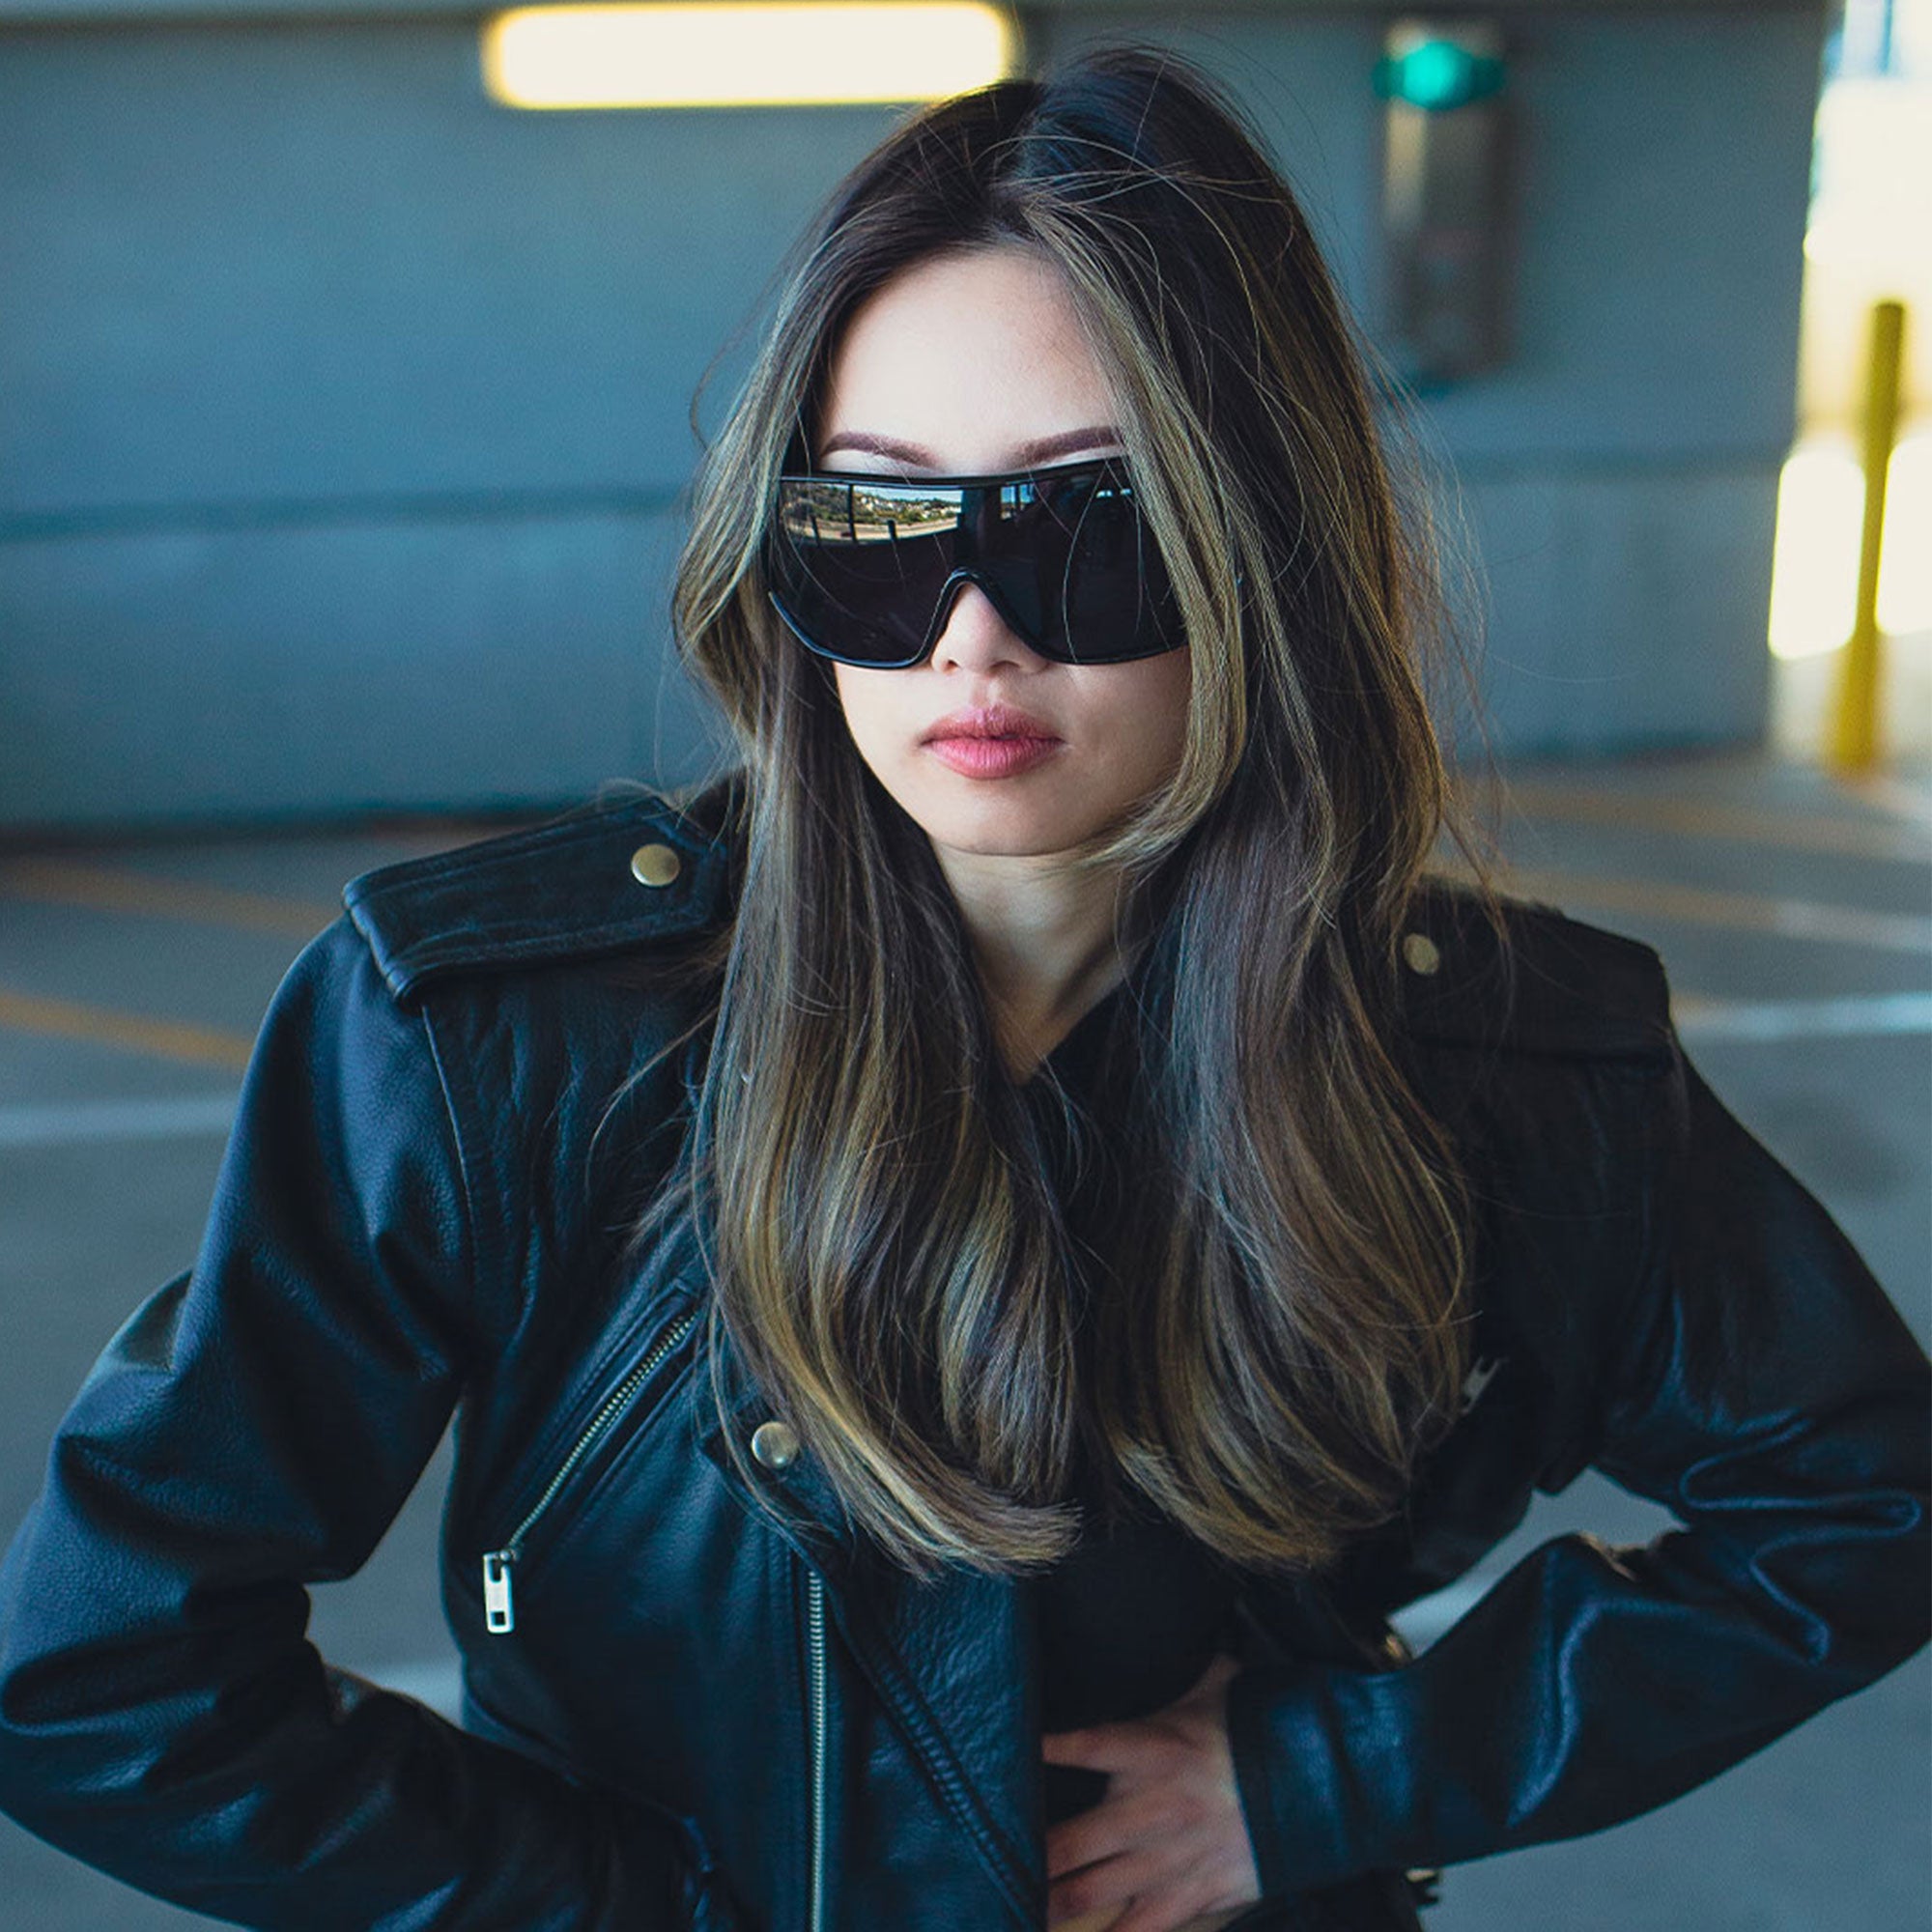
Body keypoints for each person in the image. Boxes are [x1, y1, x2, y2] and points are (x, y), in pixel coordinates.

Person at [0, 39, 1925, 1932]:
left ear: (1262, 549)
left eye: (1086, 529)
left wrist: (1326, 1776)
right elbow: (106, 1673)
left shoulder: (1492, 1061)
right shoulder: (491, 1036)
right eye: (876, 530)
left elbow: (1861, 1500)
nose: (969, 638)